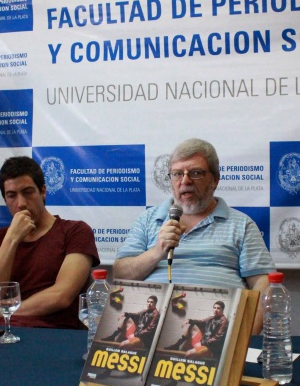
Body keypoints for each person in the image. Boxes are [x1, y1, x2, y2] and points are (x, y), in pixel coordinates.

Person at [113, 138, 275, 334]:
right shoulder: (148, 219)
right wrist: (157, 251)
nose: (185, 181)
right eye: (177, 174)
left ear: (215, 180)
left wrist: (247, 338)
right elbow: (121, 273)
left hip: (217, 328)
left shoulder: (241, 224)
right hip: (151, 327)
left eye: (196, 173)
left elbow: (263, 282)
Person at [0, 156, 100, 328]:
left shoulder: (76, 232)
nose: (21, 204)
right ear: (4, 200)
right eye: (12, 196)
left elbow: (61, 296)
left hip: (50, 336)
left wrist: (0, 314)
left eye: (28, 192)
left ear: (43, 191)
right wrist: (12, 239)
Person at [164, 301, 229, 360]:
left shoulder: (224, 321)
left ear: (222, 310)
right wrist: (189, 320)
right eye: (214, 308)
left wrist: (202, 343)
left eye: (218, 308)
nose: (216, 310)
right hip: (203, 342)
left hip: (210, 348)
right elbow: (200, 321)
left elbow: (217, 339)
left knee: (188, 354)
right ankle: (177, 345)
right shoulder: (210, 318)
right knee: (193, 325)